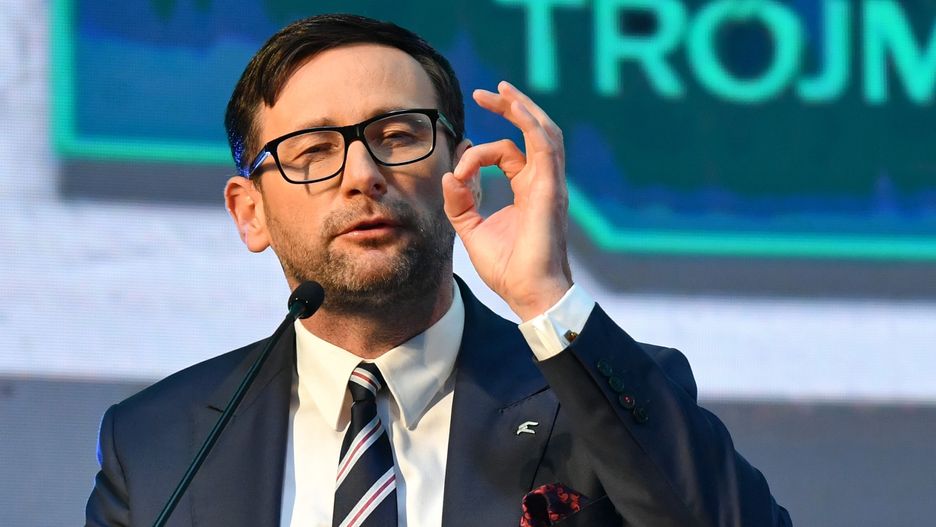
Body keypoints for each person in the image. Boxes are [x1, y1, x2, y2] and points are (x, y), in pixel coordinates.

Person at [85, 13, 791, 527]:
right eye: (313, 150)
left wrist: (546, 299)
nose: (362, 175)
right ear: (250, 214)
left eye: (397, 136)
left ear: (461, 168)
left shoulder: (595, 394)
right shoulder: (157, 445)